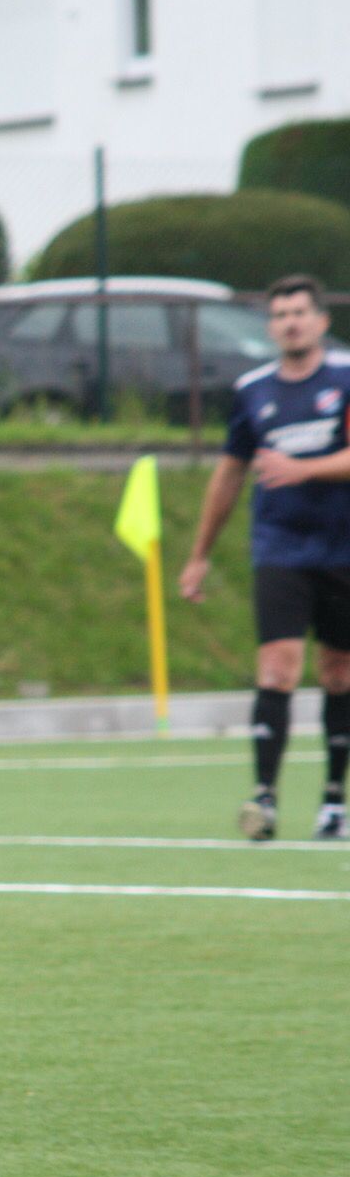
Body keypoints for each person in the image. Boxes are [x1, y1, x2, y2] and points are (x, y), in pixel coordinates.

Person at [180, 274, 350, 841]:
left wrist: (303, 469)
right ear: (270, 326)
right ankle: (265, 799)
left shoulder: (346, 379)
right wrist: (199, 554)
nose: (290, 322)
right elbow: (230, 474)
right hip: (279, 546)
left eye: (300, 312)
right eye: (279, 315)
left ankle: (333, 800)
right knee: (277, 666)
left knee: (339, 671)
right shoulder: (253, 390)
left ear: (322, 321)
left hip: (342, 547)